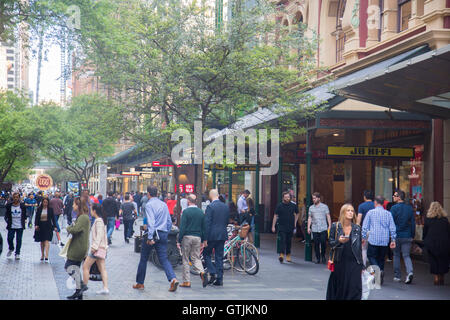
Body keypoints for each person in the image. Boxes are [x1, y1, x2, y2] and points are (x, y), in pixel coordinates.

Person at [133, 186, 179, 292]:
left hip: (153, 234)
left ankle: (140, 283)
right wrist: (166, 232)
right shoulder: (163, 204)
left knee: (143, 258)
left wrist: (150, 237)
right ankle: (173, 278)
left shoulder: (149, 205)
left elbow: (151, 222)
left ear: (148, 194)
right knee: (164, 258)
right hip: (162, 233)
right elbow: (168, 221)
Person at [326, 204, 363, 300]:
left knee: (354, 288)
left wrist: (361, 265)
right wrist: (339, 241)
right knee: (340, 288)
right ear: (343, 212)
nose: (351, 213)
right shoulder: (335, 226)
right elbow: (330, 243)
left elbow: (359, 249)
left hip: (354, 262)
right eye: (348, 210)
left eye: (352, 211)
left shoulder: (357, 228)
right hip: (339, 261)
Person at [362, 196, 397, 285]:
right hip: (384, 240)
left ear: (375, 203)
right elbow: (392, 227)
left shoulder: (371, 213)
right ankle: (380, 272)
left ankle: (377, 271)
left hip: (373, 239)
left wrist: (363, 237)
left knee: (371, 256)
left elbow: (365, 226)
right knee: (381, 258)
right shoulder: (388, 213)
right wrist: (393, 239)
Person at [176, 194, 208, 288]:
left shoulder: (186, 212)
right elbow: (203, 228)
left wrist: (179, 239)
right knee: (196, 257)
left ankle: (187, 281)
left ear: (188, 201)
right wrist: (204, 239)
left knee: (185, 259)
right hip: (197, 237)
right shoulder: (201, 212)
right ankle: (202, 272)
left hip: (187, 237)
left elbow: (182, 227)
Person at [82, 203, 109, 295]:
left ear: (94, 211)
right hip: (101, 249)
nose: (90, 211)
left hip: (97, 249)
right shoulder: (100, 220)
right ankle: (105, 288)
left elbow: (99, 236)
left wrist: (94, 247)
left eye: (91, 209)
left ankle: (83, 286)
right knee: (102, 268)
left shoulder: (98, 221)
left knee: (85, 267)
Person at [203, 189, 229, 286]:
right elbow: (226, 221)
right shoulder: (225, 207)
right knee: (219, 257)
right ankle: (219, 279)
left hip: (211, 235)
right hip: (222, 234)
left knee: (206, 254)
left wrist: (205, 238)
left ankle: (212, 271)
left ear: (210, 196)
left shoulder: (210, 207)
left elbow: (207, 223)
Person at [65, 201, 90, 300]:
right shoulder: (82, 217)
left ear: (78, 206)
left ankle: (81, 285)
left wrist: (68, 228)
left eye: (74, 204)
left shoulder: (83, 217)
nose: (72, 206)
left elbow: (76, 229)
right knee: (75, 268)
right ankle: (79, 293)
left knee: (69, 266)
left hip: (79, 247)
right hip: (79, 245)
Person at [390, 190, 415, 284]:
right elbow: (413, 223)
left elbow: (391, 222)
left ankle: (397, 276)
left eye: (395, 195)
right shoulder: (409, 208)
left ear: (399, 197)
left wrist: (391, 235)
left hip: (396, 235)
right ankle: (410, 272)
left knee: (396, 255)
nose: (393, 197)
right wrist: (412, 235)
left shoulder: (393, 208)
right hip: (407, 235)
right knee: (406, 255)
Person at [423, 202, 450, 285]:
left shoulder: (428, 220)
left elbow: (425, 232)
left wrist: (424, 241)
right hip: (444, 243)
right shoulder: (445, 220)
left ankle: (436, 277)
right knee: (443, 260)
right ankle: (442, 277)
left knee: (433, 260)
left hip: (431, 243)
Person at [272, 192, 299, 263]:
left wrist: (295, 222)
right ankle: (281, 255)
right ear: (283, 198)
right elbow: (275, 215)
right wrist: (273, 226)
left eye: (288, 197)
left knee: (289, 241)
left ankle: (288, 255)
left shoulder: (293, 205)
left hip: (290, 226)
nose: (287, 198)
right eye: (286, 197)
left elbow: (297, 213)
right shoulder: (279, 205)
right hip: (281, 226)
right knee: (282, 240)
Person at [307, 192, 331, 264]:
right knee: (316, 244)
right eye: (313, 198)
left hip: (323, 227)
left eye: (314, 198)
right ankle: (318, 258)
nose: (313, 200)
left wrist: (329, 225)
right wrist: (308, 227)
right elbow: (309, 218)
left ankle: (323, 255)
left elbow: (328, 216)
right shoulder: (311, 208)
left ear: (319, 198)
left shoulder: (325, 206)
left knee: (323, 242)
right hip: (314, 228)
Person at [4, 192, 27, 260]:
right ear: (12, 198)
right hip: (11, 225)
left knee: (19, 240)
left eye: (17, 197)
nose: (15, 198)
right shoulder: (9, 205)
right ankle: (11, 248)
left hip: (20, 225)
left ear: (19, 198)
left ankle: (17, 253)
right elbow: (6, 214)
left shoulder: (22, 206)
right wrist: (7, 220)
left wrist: (24, 219)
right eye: (14, 197)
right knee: (9, 238)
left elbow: (25, 214)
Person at [34, 198, 57, 262]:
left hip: (48, 226)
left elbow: (53, 218)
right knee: (42, 241)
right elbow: (36, 218)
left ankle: (46, 255)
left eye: (46, 202)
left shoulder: (50, 209)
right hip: (41, 226)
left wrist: (55, 226)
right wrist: (36, 225)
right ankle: (42, 254)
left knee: (47, 240)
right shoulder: (39, 209)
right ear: (42, 202)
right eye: (44, 202)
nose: (45, 203)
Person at [356, 190, 375, 266]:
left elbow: (359, 219)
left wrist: (357, 228)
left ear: (364, 197)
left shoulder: (361, 206)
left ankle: (363, 266)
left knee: (363, 249)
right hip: (374, 231)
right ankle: (374, 267)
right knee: (373, 250)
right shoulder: (375, 205)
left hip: (365, 231)